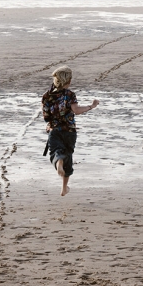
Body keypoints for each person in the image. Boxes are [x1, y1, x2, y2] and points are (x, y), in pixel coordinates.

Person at [42, 66, 99, 197]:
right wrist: (92, 106)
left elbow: (46, 117)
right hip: (69, 131)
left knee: (56, 153)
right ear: (68, 81)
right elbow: (76, 110)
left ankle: (59, 163)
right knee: (67, 156)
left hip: (54, 130)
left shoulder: (46, 96)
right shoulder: (70, 94)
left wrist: (50, 124)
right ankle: (63, 187)